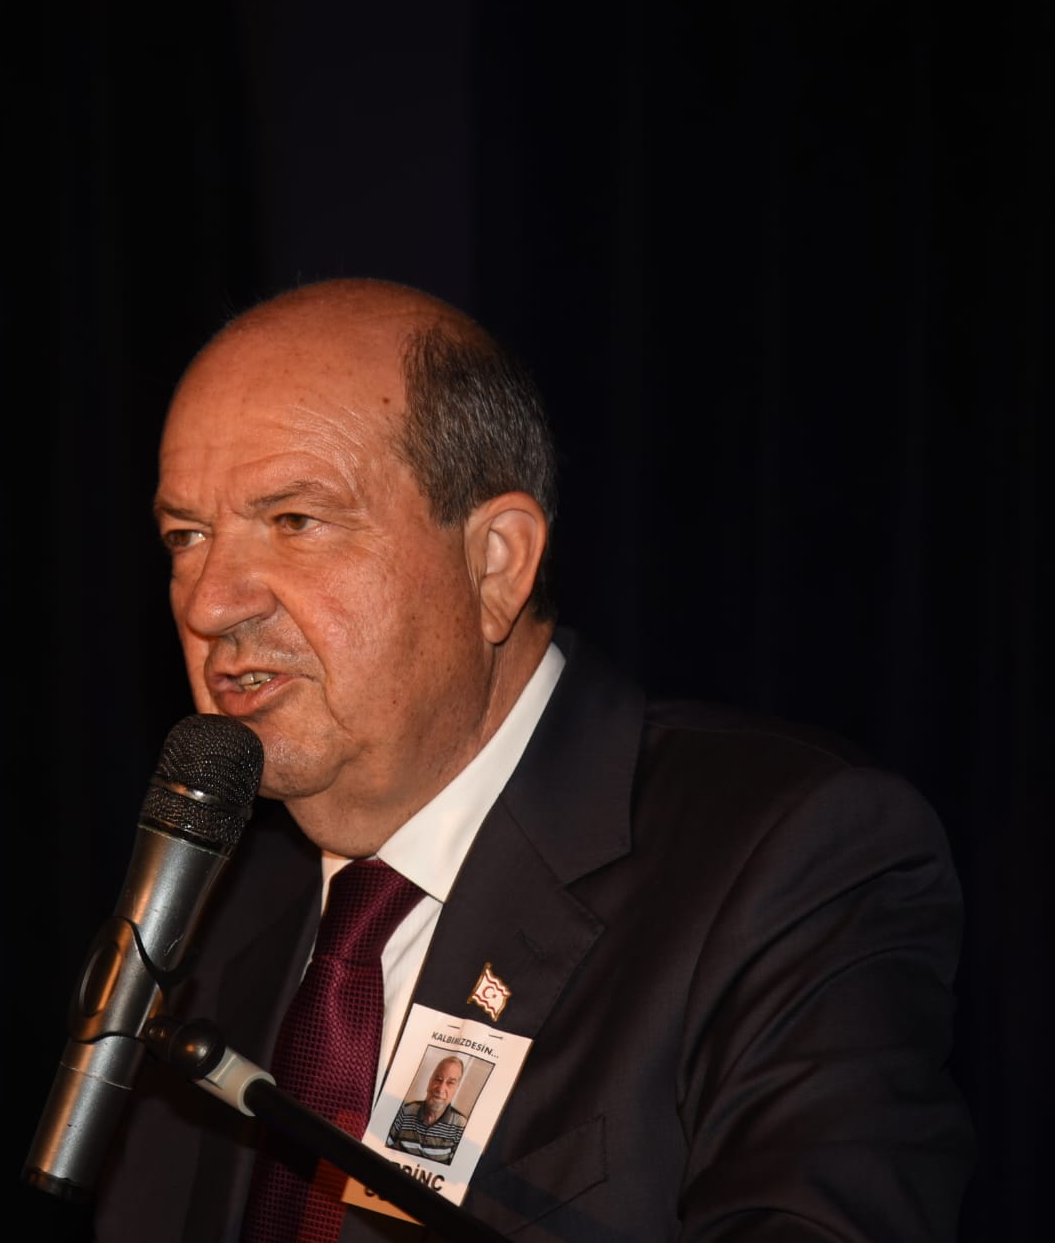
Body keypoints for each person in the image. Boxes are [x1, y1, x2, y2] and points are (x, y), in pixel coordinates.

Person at [93, 279, 972, 1241]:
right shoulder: (206, 905)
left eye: (295, 521)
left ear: (497, 563)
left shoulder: (786, 860)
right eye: (187, 536)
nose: (210, 602)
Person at [385, 1056, 468, 1163]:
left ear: (456, 1089)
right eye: (438, 1079)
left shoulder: (461, 1126)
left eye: (450, 1083)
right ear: (429, 1082)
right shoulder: (404, 1111)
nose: (441, 1089)